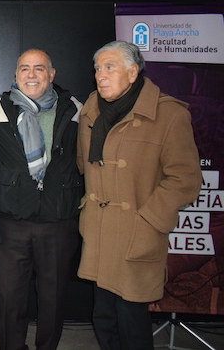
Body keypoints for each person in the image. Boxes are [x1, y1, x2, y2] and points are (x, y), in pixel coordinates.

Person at [77, 40, 202, 349]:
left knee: (131, 320)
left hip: (137, 235)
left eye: (109, 67)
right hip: (99, 234)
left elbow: (185, 179)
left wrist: (148, 218)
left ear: (133, 73)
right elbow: (84, 164)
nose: (100, 75)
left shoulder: (168, 114)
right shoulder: (92, 109)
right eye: (97, 68)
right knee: (104, 317)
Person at [0, 49, 83, 350]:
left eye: (39, 68)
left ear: (51, 74)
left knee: (53, 298)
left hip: (58, 220)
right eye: (25, 68)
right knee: (10, 298)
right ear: (16, 74)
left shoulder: (76, 110)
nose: (31, 74)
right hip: (12, 220)